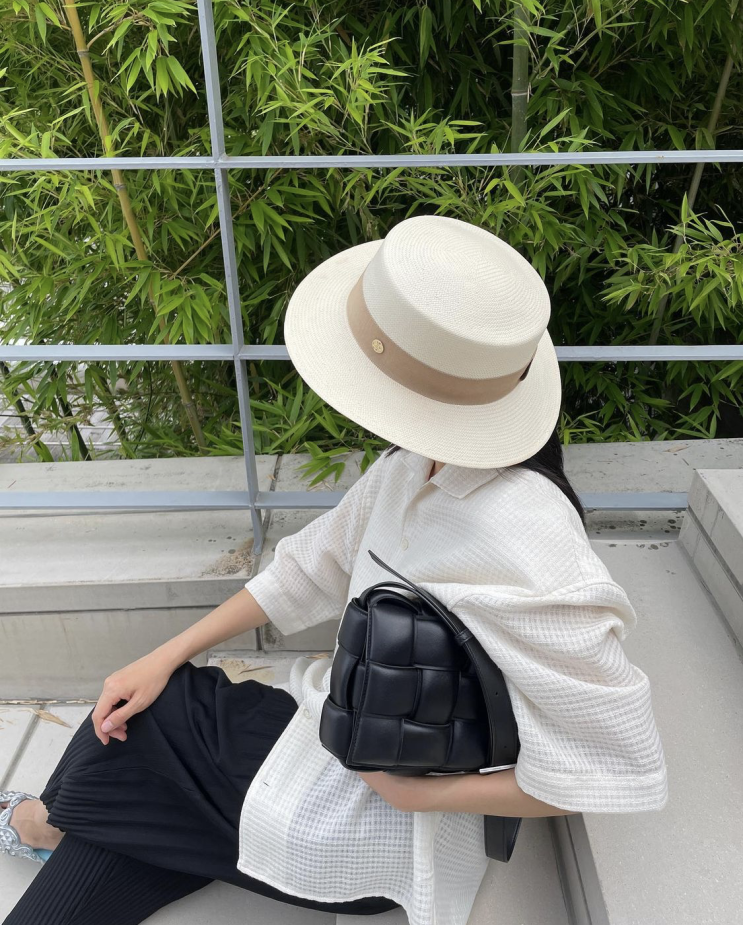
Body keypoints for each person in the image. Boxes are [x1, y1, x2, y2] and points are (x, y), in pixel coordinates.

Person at [1, 215, 668, 925]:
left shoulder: (527, 534)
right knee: (147, 732)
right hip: (336, 728)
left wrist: (419, 795)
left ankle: (43, 822)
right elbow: (310, 566)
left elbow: (616, 762)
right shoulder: (415, 466)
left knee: (148, 729)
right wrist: (163, 654)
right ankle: (60, 825)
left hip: (372, 818)